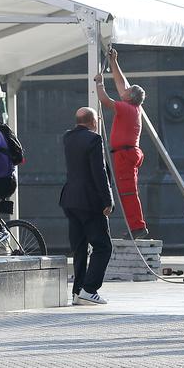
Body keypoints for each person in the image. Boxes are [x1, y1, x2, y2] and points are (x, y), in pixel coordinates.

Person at [60, 108, 115, 306]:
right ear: (93, 121)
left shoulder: (67, 138)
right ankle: (90, 289)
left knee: (80, 248)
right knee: (103, 246)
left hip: (70, 200)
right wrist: (108, 200)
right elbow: (99, 172)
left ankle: (77, 291)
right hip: (89, 202)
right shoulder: (94, 139)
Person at [94, 47, 150, 239]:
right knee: (128, 191)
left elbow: (104, 100)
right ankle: (136, 226)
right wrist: (113, 62)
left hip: (124, 154)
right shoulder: (134, 106)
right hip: (127, 153)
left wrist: (100, 83)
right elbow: (122, 84)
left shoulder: (126, 108)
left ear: (129, 97)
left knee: (127, 192)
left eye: (126, 92)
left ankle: (137, 227)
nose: (123, 91)